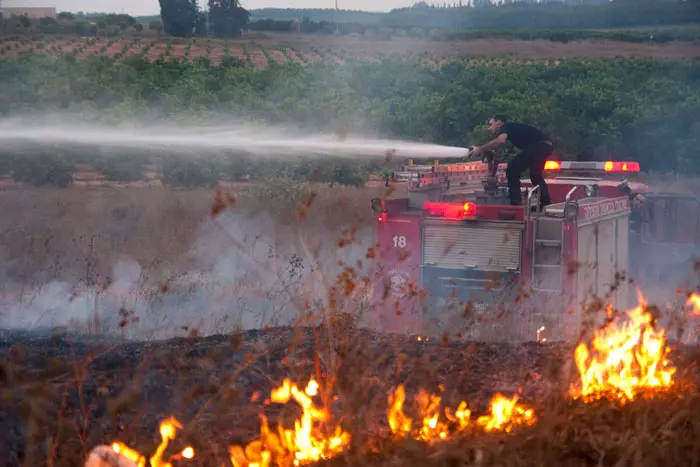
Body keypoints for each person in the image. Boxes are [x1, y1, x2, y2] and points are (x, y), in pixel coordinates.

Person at [470, 115, 553, 208]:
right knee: (535, 175)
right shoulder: (513, 129)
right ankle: (546, 202)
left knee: (512, 170)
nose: (490, 128)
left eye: (491, 124)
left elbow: (500, 141)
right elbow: (498, 146)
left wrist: (479, 149)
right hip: (547, 146)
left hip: (538, 147)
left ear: (499, 122)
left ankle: (515, 202)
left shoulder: (506, 126)